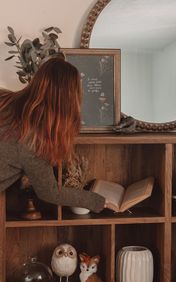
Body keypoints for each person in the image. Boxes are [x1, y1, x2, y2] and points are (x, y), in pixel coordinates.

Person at [0, 57, 105, 213]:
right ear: (69, 100)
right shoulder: (32, 140)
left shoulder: (4, 100)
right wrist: (99, 201)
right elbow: (49, 192)